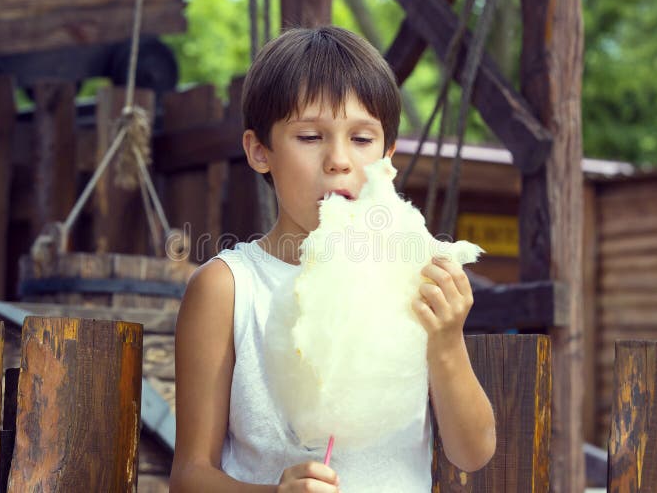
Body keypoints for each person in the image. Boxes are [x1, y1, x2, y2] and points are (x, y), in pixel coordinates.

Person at [169, 26, 496, 493]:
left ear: (388, 157)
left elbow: (473, 452)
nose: (338, 160)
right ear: (260, 151)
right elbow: (189, 477)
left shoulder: (414, 279)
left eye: (362, 139)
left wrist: (446, 342)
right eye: (309, 136)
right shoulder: (228, 288)